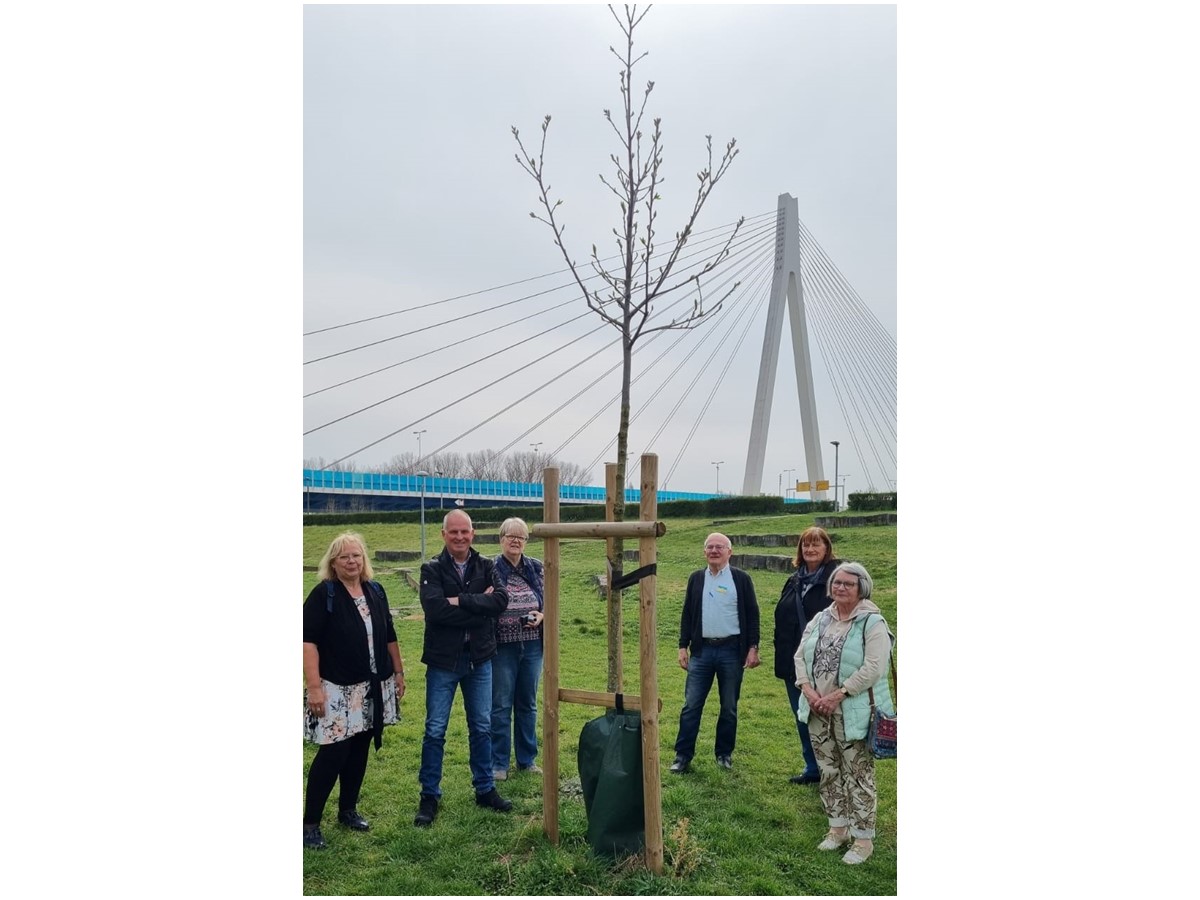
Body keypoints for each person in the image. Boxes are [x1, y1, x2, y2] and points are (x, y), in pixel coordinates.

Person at [303, 532, 405, 850]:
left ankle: (348, 810)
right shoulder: (325, 594)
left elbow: (389, 634)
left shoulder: (375, 590)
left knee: (360, 748)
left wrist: (398, 672)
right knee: (333, 753)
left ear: (364, 560)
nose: (352, 561)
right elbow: (308, 642)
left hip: (372, 685)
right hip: (336, 687)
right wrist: (314, 687)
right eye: (345, 556)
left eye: (357, 555)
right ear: (333, 562)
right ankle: (309, 825)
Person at [413, 509, 511, 827]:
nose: (459, 537)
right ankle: (429, 796)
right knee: (435, 729)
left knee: (481, 728)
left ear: (472, 533)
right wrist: (476, 605)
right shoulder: (431, 568)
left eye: (464, 531)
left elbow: (500, 602)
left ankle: (485, 789)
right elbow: (436, 610)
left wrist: (459, 600)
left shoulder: (487, 565)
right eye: (453, 532)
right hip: (443, 662)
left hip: (479, 659)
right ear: (444, 535)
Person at [794, 561, 894, 865]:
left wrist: (839, 694)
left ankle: (863, 839)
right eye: (837, 582)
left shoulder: (872, 622)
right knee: (828, 770)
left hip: (852, 711)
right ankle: (837, 829)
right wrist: (810, 692)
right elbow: (800, 655)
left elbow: (875, 667)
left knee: (858, 774)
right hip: (816, 709)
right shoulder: (822, 617)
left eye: (848, 584)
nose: (840, 587)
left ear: (861, 588)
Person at [668, 532, 761, 773]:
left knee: (729, 706)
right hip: (702, 651)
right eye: (710, 547)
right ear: (704, 552)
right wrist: (682, 646)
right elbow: (687, 614)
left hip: (732, 650)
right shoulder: (696, 578)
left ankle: (723, 754)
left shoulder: (741, 579)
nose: (714, 550)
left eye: (720, 547)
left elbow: (752, 615)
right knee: (691, 705)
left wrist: (753, 648)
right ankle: (682, 756)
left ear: (730, 552)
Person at [773, 526, 841, 785]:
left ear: (826, 549)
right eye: (805, 545)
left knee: (828, 719)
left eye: (816, 545)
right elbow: (782, 617)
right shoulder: (794, 580)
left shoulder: (836, 580)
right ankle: (813, 768)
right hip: (794, 663)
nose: (810, 549)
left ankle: (833, 770)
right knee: (803, 716)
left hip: (825, 665)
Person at [490, 517, 546, 781]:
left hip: (532, 645)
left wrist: (542, 614)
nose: (515, 540)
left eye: (520, 536)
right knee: (500, 705)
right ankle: (498, 763)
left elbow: (549, 599)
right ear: (501, 539)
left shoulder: (535, 567)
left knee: (528, 703)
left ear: (526, 541)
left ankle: (527, 760)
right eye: (510, 536)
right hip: (502, 647)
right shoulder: (490, 568)